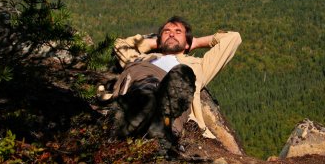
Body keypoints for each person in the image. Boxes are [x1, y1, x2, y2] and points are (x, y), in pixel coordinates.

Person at [99, 16, 241, 143]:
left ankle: (157, 120)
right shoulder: (143, 58)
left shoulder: (199, 65)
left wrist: (196, 42)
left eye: (178, 32)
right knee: (139, 68)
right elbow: (120, 44)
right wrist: (156, 43)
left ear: (187, 44)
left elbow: (233, 38)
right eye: (166, 32)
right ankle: (153, 117)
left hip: (170, 94)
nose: (172, 34)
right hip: (143, 82)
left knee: (182, 77)